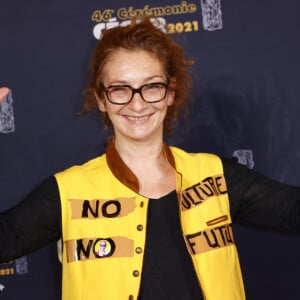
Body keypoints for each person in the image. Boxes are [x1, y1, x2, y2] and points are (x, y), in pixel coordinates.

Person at [0, 16, 300, 300]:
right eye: (120, 89)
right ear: (101, 99)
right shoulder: (67, 191)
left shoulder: (216, 175)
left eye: (151, 86)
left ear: (170, 92)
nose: (138, 103)